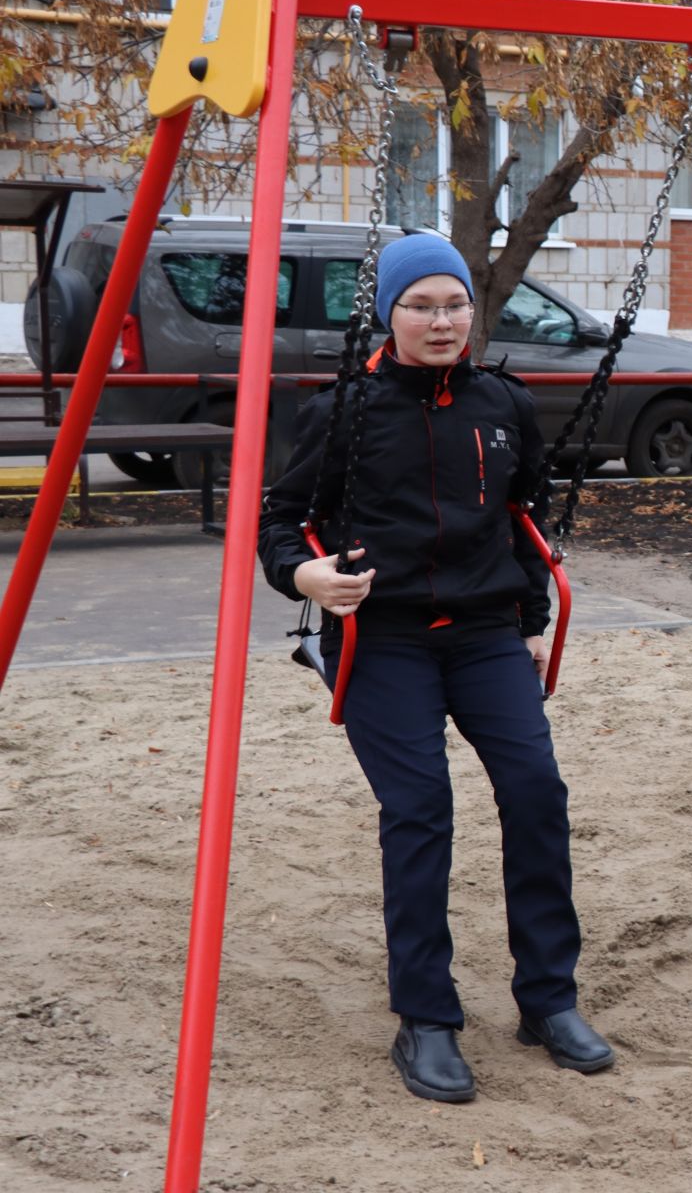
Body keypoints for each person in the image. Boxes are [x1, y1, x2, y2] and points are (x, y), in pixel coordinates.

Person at [258, 234, 612, 1103]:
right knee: (420, 809)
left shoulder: (500, 403)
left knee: (536, 791)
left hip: (488, 630)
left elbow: (521, 517)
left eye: (456, 304)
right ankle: (427, 1017)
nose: (443, 320)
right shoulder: (342, 410)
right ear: (389, 313)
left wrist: (532, 620)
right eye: (421, 305)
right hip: (383, 638)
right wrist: (308, 577)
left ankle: (548, 999)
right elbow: (279, 521)